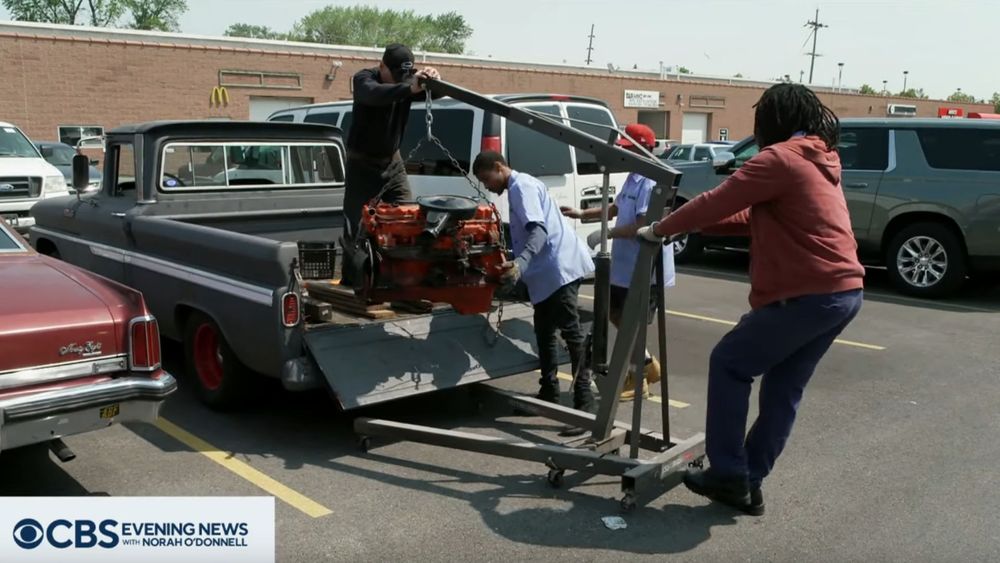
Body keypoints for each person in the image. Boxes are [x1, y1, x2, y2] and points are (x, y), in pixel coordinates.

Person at [637, 83, 865, 516]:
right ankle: (747, 483)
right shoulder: (818, 159)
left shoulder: (779, 159)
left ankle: (727, 473)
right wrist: (696, 226)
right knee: (783, 389)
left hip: (809, 292)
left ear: (771, 121)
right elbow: (751, 213)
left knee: (729, 363)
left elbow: (716, 199)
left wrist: (661, 229)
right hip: (842, 293)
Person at [473, 151, 597, 411]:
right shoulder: (520, 186)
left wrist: (520, 263)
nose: (487, 186)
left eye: (487, 179)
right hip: (545, 272)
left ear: (499, 167)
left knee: (572, 334)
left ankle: (584, 402)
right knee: (543, 332)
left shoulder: (522, 187)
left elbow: (538, 231)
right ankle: (549, 391)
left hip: (557, 268)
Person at [560, 123, 676, 402]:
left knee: (631, 326)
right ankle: (647, 364)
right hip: (625, 269)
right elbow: (617, 208)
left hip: (643, 269)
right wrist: (582, 213)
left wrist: (607, 233)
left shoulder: (652, 181)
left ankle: (636, 382)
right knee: (615, 314)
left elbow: (643, 223)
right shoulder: (635, 176)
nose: (623, 156)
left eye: (627, 151)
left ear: (644, 150)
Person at [341, 43, 442, 285]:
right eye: (395, 75)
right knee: (357, 226)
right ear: (381, 66)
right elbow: (374, 95)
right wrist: (409, 86)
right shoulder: (364, 79)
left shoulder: (408, 80)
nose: (401, 80)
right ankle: (351, 282)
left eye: (405, 75)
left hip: (393, 163)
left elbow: (435, 93)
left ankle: (401, 283)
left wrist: (434, 79)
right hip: (362, 165)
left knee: (407, 218)